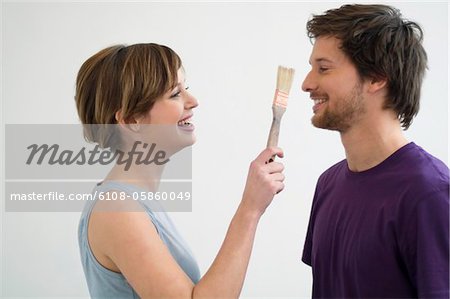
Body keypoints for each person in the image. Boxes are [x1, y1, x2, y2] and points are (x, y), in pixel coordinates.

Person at [75, 43, 285, 298]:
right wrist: (250, 210)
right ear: (131, 121)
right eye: (175, 94)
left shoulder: (133, 203)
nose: (193, 101)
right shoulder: (118, 211)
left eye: (187, 89)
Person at [301, 4, 449, 298]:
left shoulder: (429, 194)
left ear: (377, 77)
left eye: (324, 68)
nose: (307, 83)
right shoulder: (328, 184)